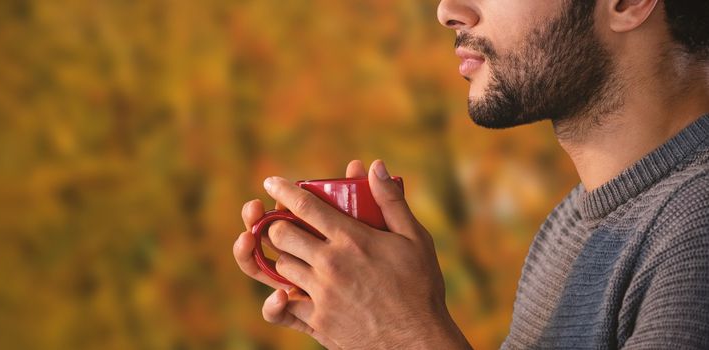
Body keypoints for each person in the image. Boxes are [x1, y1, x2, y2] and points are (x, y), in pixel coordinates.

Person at [233, 0, 709, 348]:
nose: (448, 10)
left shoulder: (696, 234)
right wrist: (366, 324)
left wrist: (404, 334)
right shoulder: (568, 225)